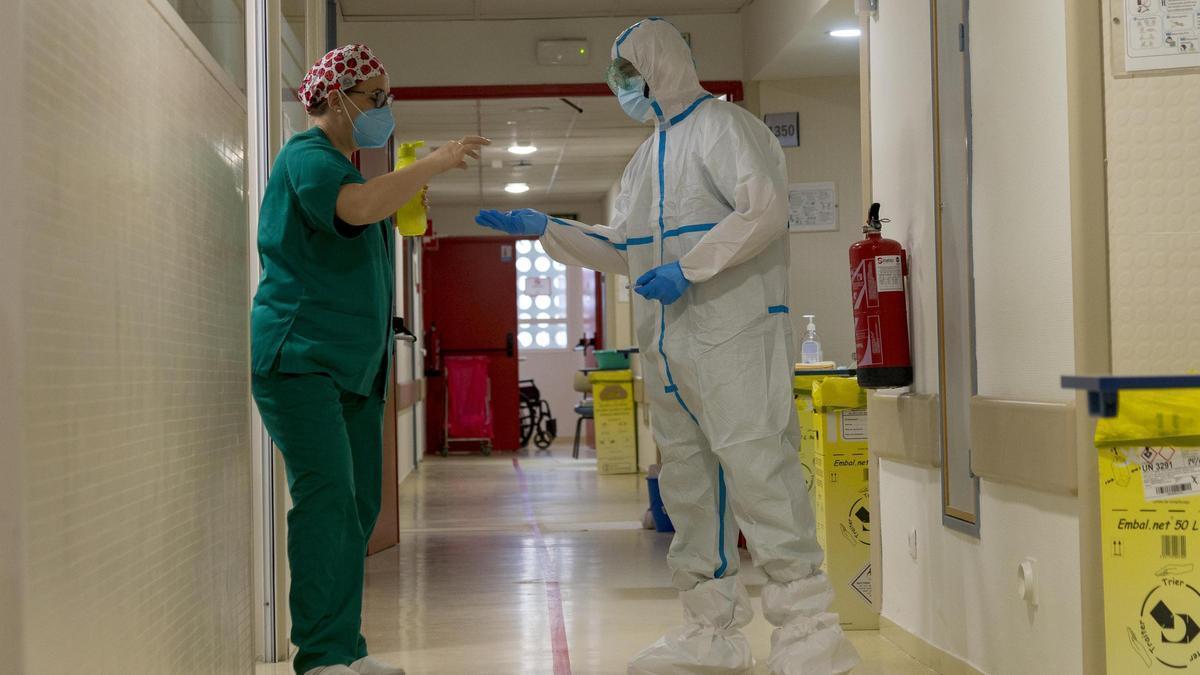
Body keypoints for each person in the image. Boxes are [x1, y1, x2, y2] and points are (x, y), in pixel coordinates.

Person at [475, 19, 858, 675]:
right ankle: (711, 629)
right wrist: (551, 230)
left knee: (761, 475)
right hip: (670, 347)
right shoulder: (642, 160)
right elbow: (624, 249)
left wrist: (692, 265)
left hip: (734, 335)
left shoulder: (725, 129)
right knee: (688, 486)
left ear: (661, 66)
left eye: (628, 72)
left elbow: (763, 210)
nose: (623, 87)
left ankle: (809, 632)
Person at [251, 44, 488, 675]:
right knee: (327, 499)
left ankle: (346, 649)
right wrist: (431, 162)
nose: (385, 108)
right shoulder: (308, 158)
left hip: (353, 367)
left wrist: (406, 197)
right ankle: (321, 656)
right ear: (337, 98)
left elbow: (366, 214)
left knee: (357, 507)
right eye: (375, 96)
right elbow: (353, 211)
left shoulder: (350, 170)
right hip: (300, 358)